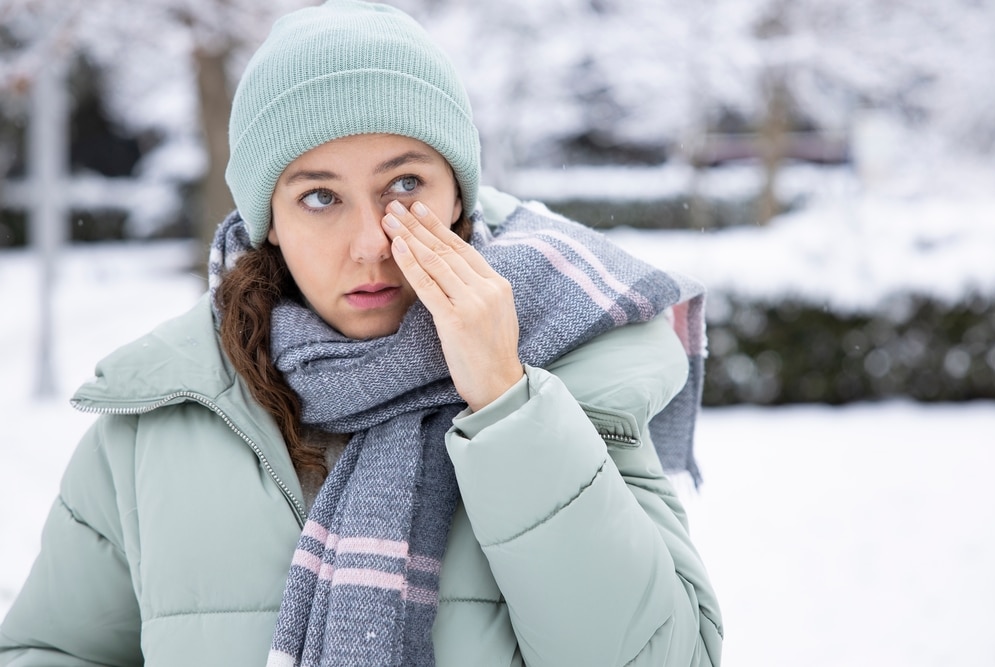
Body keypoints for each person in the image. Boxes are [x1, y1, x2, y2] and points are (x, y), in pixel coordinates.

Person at [0, 1, 722, 665]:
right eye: (320, 197)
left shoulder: (577, 363)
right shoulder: (162, 415)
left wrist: (509, 402)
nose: (371, 244)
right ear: (270, 223)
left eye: (405, 186)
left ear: (457, 194)